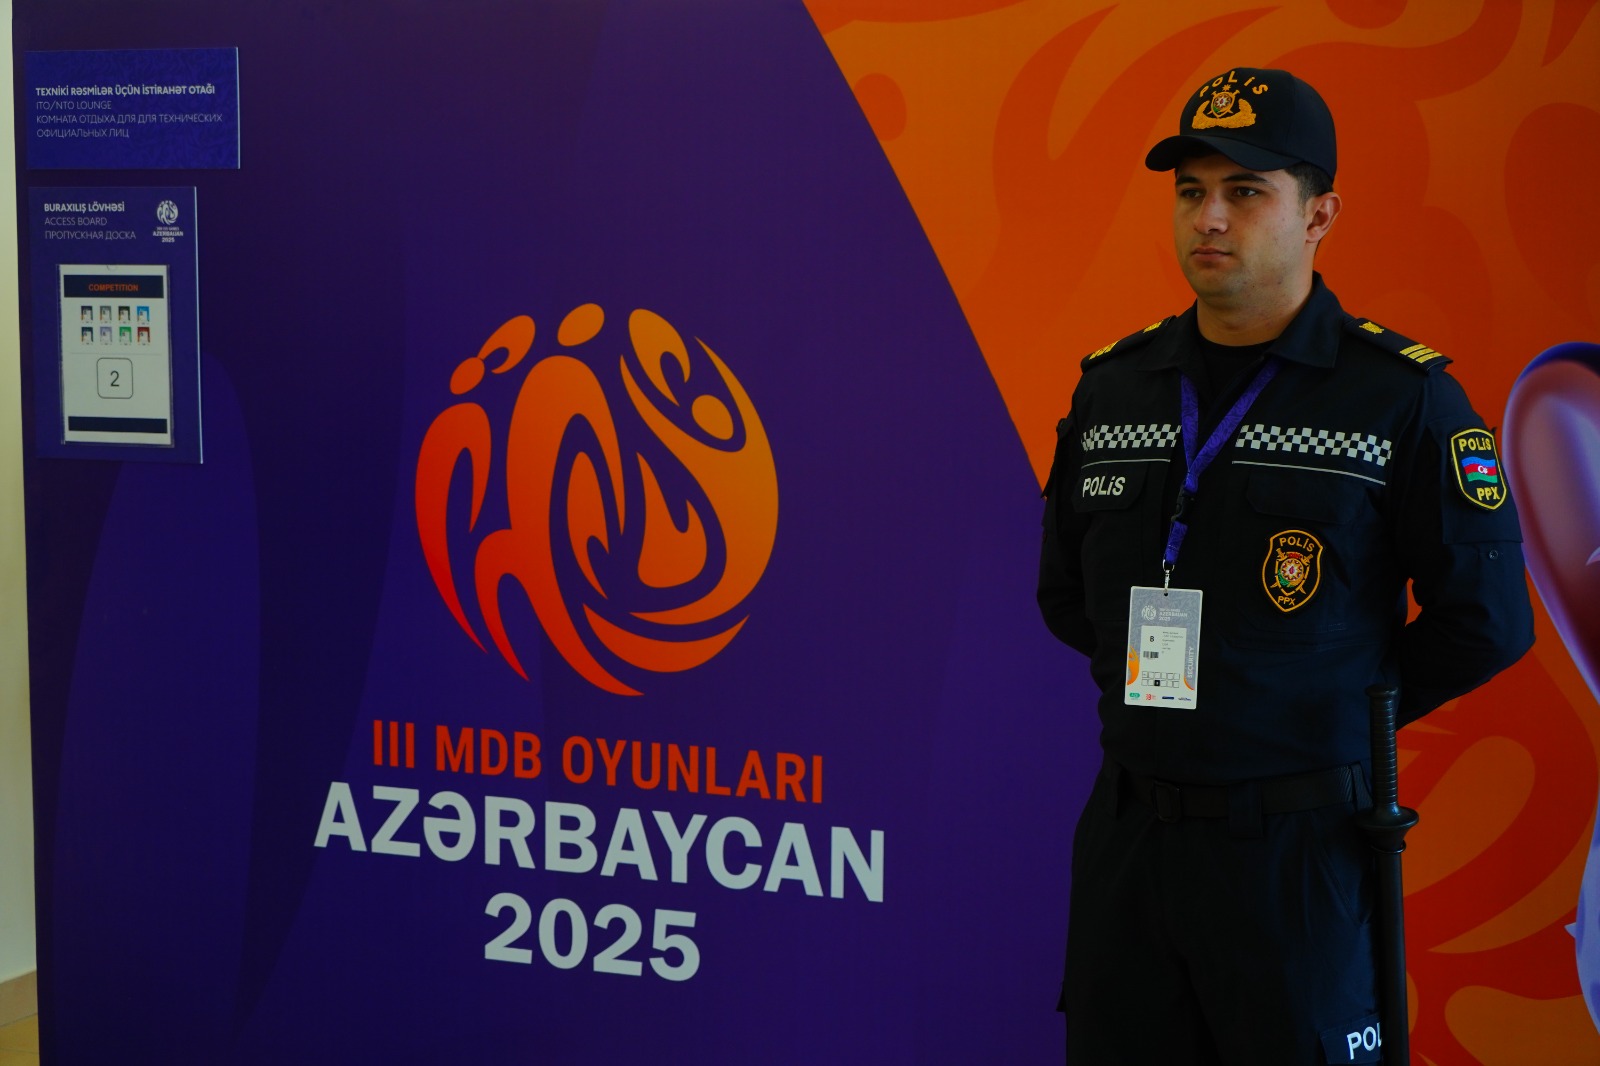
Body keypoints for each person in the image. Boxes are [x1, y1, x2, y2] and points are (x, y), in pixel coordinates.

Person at [1037, 67, 1533, 1064]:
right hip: (1132, 836)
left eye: (1246, 191)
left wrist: (1336, 705)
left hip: (1297, 847)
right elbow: (1067, 595)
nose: (1210, 217)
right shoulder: (1113, 387)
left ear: (1319, 215)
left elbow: (1486, 620)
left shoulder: (1399, 398)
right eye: (1190, 191)